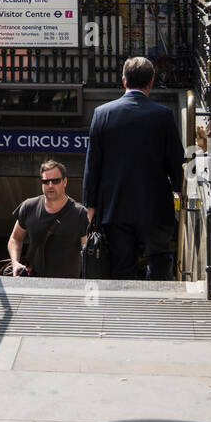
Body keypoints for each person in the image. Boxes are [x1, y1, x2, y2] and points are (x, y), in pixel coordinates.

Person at [82, 56, 185, 281]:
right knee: (159, 260)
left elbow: (93, 164)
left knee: (121, 265)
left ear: (123, 81)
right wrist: (178, 187)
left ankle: (125, 310)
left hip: (114, 205)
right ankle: (159, 308)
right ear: (151, 82)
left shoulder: (102, 113)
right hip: (155, 205)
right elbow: (176, 158)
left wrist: (90, 204)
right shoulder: (163, 115)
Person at [7, 159, 89, 278]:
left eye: (55, 181)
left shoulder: (80, 213)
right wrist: (15, 263)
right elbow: (15, 238)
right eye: (46, 181)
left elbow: (87, 252)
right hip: (33, 283)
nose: (50, 185)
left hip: (67, 288)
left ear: (64, 182)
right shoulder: (29, 207)